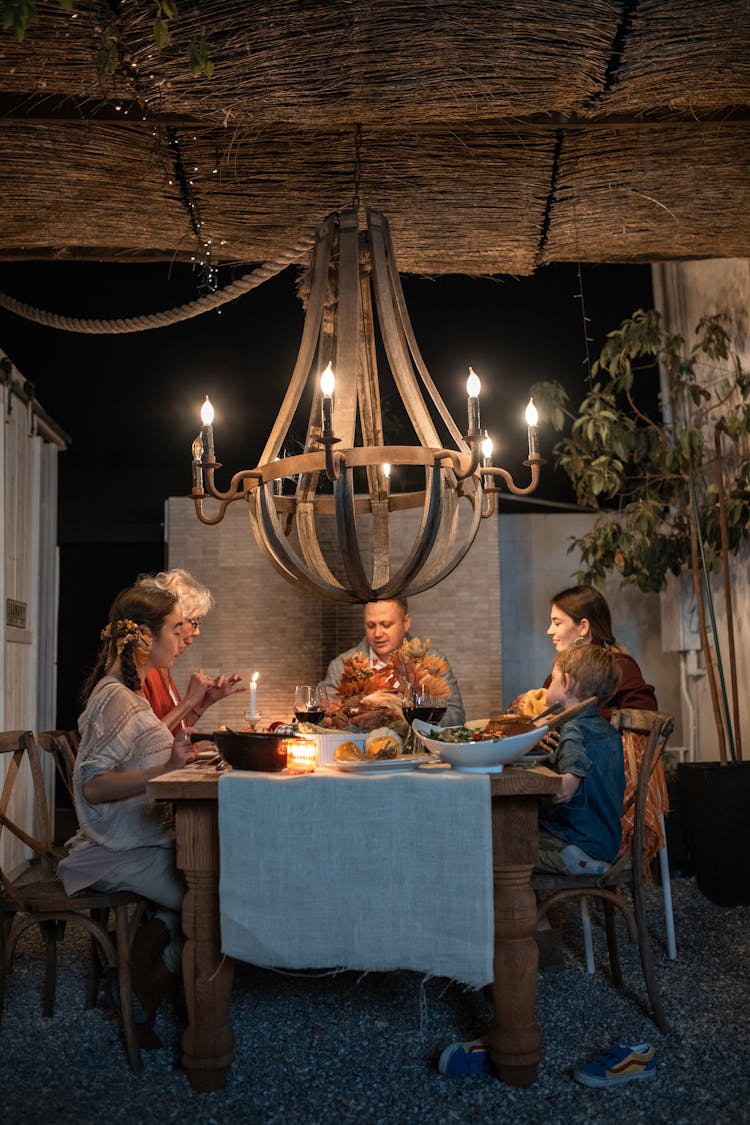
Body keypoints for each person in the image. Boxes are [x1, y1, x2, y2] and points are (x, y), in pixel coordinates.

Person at [438, 643, 626, 1078]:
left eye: (555, 677)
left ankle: (503, 968)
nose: (551, 683)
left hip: (580, 851)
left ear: (571, 685)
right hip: (598, 841)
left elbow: (565, 788)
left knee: (495, 850)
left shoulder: (576, 732)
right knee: (502, 843)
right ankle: (509, 952)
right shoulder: (599, 727)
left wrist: (543, 777)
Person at [57, 584, 198, 1046]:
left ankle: (134, 971)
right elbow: (92, 786)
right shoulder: (115, 696)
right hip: (116, 848)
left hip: (136, 838)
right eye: (176, 630)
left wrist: (180, 755)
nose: (183, 639)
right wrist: (168, 768)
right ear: (144, 639)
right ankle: (142, 992)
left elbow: (141, 748)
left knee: (206, 876)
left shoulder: (126, 693)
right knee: (210, 900)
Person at [319, 597, 465, 726]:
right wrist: (328, 713)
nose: (377, 633)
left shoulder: (432, 662)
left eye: (386, 625)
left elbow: (456, 716)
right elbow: (323, 713)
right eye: (371, 625)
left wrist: (409, 720)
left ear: (406, 622)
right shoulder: (342, 665)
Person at [137, 567, 246, 732]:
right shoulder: (141, 670)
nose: (197, 632)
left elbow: (172, 733)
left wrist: (202, 703)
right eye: (194, 622)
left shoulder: (161, 667)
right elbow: (147, 744)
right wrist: (188, 701)